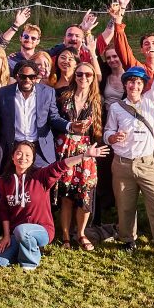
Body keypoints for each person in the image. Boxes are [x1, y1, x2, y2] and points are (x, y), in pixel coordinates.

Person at [104, 66, 154, 259]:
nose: (134, 86)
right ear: (125, 84)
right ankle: (128, 240)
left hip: (146, 163)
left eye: (139, 82)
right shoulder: (116, 107)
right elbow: (107, 132)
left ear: (144, 86)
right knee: (125, 206)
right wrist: (113, 137)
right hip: (122, 163)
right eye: (131, 82)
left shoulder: (151, 101)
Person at [0, 141, 105, 270]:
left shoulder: (40, 176)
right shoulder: (5, 182)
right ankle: (25, 248)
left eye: (28, 155)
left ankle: (29, 263)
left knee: (22, 230)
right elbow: (4, 211)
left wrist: (84, 155)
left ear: (33, 159)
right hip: (16, 233)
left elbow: (60, 166)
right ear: (12, 157)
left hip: (41, 230)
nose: (23, 158)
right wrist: (6, 236)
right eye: (19, 154)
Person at [0, 61, 69, 168]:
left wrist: (69, 126)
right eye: (23, 76)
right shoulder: (4, 93)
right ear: (16, 76)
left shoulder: (48, 92)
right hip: (13, 147)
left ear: (36, 77)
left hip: (40, 149)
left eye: (32, 77)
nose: (27, 80)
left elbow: (54, 118)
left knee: (42, 183)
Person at [54, 59, 105, 250]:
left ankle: (81, 233)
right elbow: (55, 120)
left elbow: (99, 129)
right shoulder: (63, 96)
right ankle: (66, 236)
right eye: (80, 74)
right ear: (74, 76)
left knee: (85, 193)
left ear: (93, 78)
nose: (84, 77)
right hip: (65, 147)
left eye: (88, 74)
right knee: (67, 195)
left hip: (87, 149)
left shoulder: (97, 101)